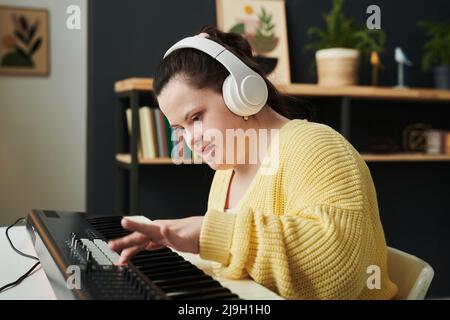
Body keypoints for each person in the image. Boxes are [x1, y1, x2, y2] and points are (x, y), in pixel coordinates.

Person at [108, 25, 398, 299]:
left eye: (196, 118)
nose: (190, 140)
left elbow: (340, 271)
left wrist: (208, 234)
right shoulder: (227, 172)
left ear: (242, 93)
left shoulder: (318, 147)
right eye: (180, 129)